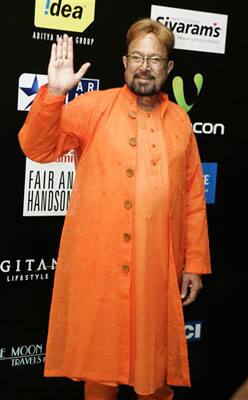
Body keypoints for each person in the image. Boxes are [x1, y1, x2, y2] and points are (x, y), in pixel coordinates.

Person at [18, 18, 211, 400]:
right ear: (124, 62)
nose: (145, 66)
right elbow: (37, 149)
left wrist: (195, 264)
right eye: (137, 57)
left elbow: (192, 198)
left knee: (154, 372)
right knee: (99, 372)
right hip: (101, 265)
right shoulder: (93, 107)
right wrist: (53, 95)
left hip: (155, 268)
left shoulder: (181, 122)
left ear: (168, 68)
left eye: (155, 60)